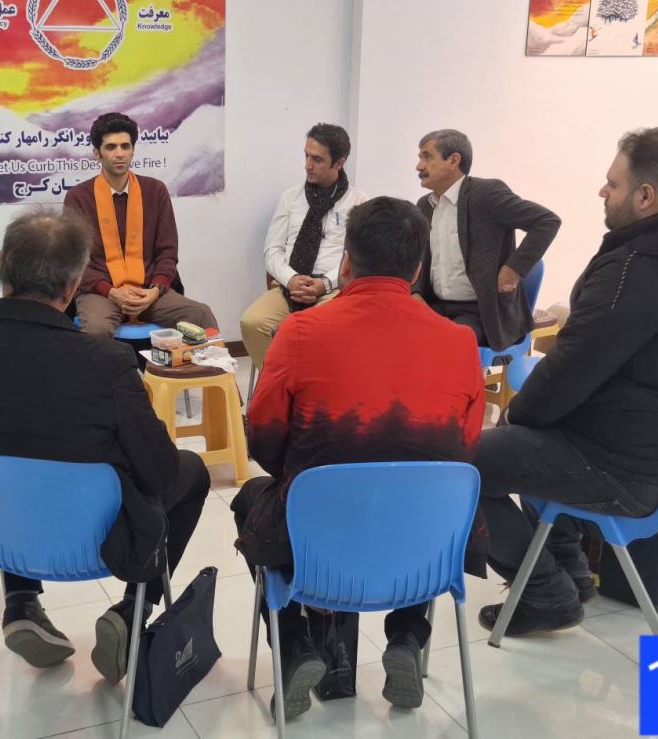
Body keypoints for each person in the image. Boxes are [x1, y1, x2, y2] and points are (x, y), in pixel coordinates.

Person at [473, 128, 658, 635]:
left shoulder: (639, 271)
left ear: (645, 196)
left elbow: (564, 377)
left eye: (613, 184)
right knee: (534, 427)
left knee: (467, 461)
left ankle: (545, 593)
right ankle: (571, 570)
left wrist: (514, 417)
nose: (602, 192)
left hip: (626, 470)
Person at [0, 208, 210, 683]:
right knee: (190, 471)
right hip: (93, 543)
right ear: (73, 287)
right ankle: (133, 608)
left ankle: (20, 600)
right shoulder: (106, 363)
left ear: (0, 264)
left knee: (6, 451)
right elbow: (158, 472)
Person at [231, 197, 486, 718]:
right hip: (425, 546)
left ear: (346, 261)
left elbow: (265, 440)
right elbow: (462, 449)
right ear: (418, 269)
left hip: (320, 544)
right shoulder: (461, 342)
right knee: (419, 486)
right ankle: (407, 637)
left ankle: (296, 645)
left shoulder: (300, 333)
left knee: (251, 499)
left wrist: (306, 476)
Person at [63, 112, 217, 340]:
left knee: (200, 314)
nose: (119, 154)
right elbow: (75, 261)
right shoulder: (78, 197)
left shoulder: (155, 191)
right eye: (111, 147)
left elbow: (167, 253)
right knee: (96, 329)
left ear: (133, 150)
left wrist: (155, 290)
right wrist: (111, 291)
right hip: (101, 292)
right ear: (97, 153)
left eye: (125, 146)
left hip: (150, 290)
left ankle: (206, 365)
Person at [414, 129, 562, 351]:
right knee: (392, 330)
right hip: (434, 305)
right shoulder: (424, 205)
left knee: (445, 343)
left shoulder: (486, 194)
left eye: (427, 157)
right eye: (420, 158)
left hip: (480, 312)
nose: (419, 166)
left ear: (454, 160)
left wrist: (514, 268)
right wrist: (415, 292)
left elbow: (547, 221)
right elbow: (418, 258)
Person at [238, 123, 367, 368]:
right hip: (290, 286)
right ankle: (280, 383)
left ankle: (311, 385)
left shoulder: (358, 201)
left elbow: (357, 258)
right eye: (306, 156)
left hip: (333, 290)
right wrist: (291, 279)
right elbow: (273, 250)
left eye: (317, 159)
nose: (308, 165)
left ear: (339, 163)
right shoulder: (291, 197)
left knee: (320, 331)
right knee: (252, 323)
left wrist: (324, 284)